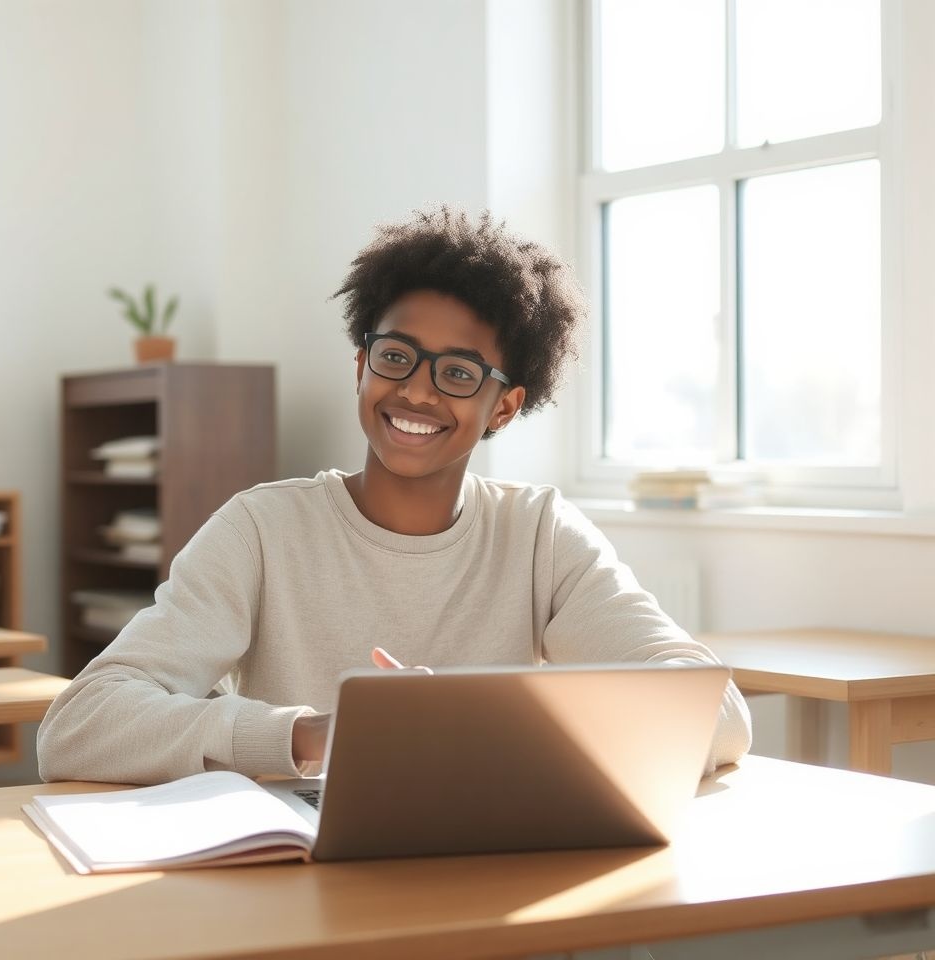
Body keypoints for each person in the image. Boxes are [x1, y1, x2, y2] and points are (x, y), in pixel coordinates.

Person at [38, 207, 752, 785]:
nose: (416, 390)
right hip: (298, 877)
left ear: (503, 408)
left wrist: (489, 725)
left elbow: (715, 710)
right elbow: (79, 727)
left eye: (460, 373)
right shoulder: (261, 528)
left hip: (488, 873)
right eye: (396, 357)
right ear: (361, 364)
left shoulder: (538, 533)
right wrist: (307, 735)